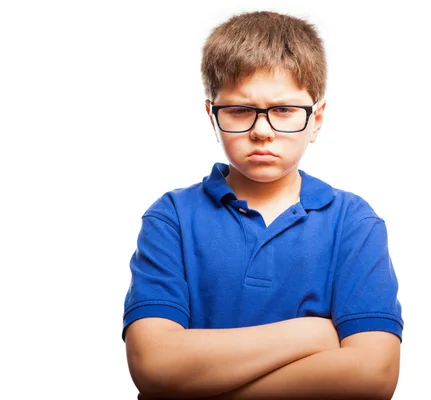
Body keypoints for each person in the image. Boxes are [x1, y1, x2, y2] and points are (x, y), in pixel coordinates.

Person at [122, 10, 403, 400]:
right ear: (212, 116)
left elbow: (374, 375)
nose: (262, 131)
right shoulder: (171, 217)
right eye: (239, 110)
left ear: (316, 118)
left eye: (284, 110)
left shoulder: (353, 223)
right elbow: (154, 363)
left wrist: (198, 388)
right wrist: (311, 334)